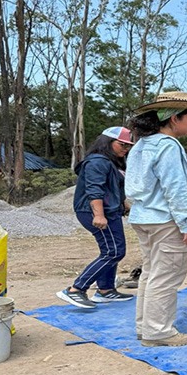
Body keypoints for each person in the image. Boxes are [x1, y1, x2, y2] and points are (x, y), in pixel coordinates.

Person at [124, 91, 187, 347]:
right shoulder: (168, 146)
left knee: (151, 272)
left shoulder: (141, 145)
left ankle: (146, 327)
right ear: (175, 118)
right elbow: (175, 188)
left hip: (143, 216)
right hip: (165, 220)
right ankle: (159, 332)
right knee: (166, 276)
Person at [56, 127, 138, 308]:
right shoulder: (97, 162)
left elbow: (114, 188)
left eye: (128, 146)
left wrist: (125, 205)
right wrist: (99, 214)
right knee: (114, 251)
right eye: (122, 144)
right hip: (98, 213)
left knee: (111, 250)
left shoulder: (111, 163)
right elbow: (95, 189)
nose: (126, 149)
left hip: (111, 212)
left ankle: (106, 291)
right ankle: (75, 289)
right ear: (107, 142)